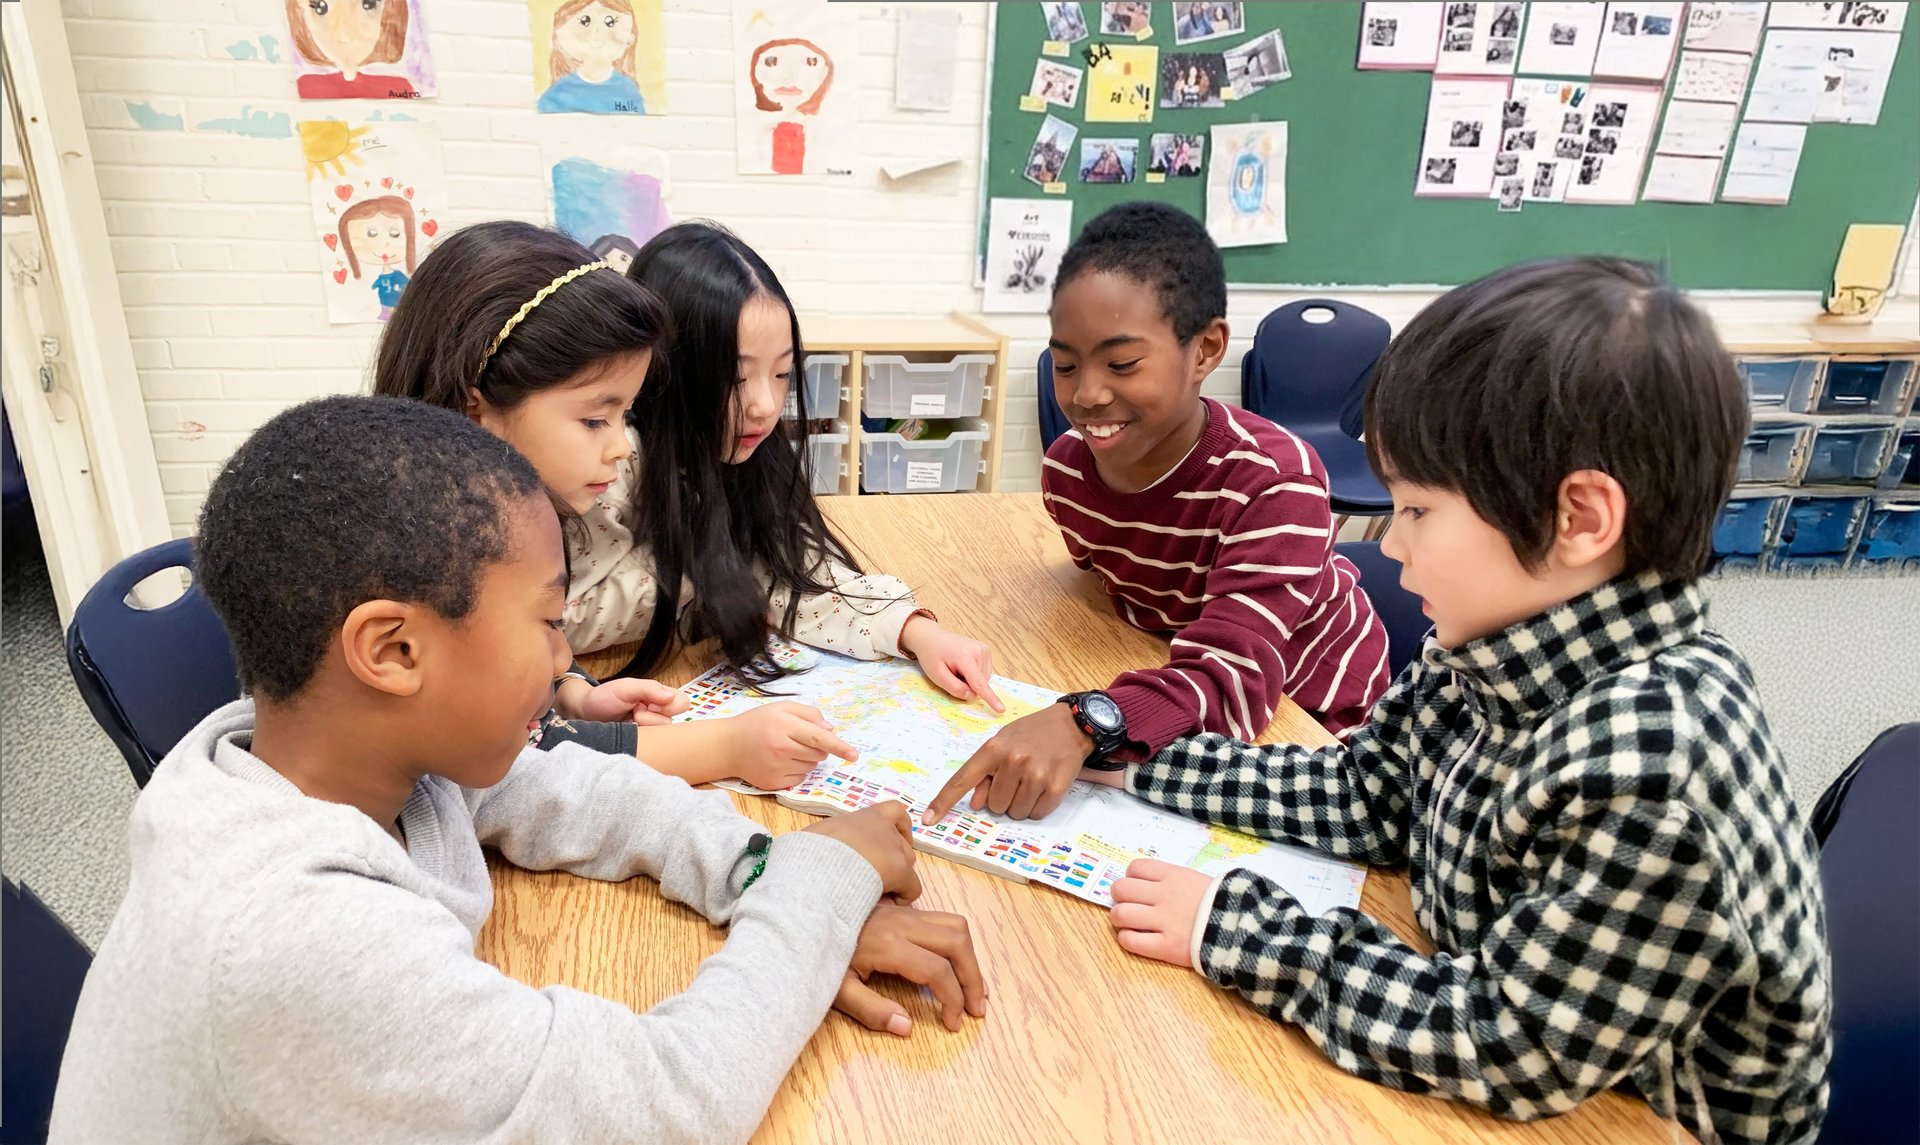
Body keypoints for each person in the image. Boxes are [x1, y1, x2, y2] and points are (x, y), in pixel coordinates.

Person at [48, 395, 985, 1144]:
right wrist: (826, 876)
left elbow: (563, 787)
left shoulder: (332, 752)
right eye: (546, 619)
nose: (564, 654)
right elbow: (670, 1104)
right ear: (395, 650)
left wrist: (771, 881)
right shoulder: (297, 943)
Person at [1092, 259, 1830, 1144]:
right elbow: (1367, 795)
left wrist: (1236, 930)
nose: (1389, 548)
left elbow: (1505, 1040)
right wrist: (1141, 752)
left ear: (1581, 518)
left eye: (1417, 512)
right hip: (1517, 1026)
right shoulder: (1484, 645)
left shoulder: (1655, 767)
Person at [373, 221, 877, 791]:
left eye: (625, 415)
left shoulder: (495, 512)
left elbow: (526, 655)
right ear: (475, 411)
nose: (620, 445)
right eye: (596, 420)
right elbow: (505, 762)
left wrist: (574, 691)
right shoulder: (431, 565)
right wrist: (722, 745)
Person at [929, 203, 1389, 823]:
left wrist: (1085, 720)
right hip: (1177, 670)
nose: (1086, 393)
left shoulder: (1274, 482)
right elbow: (1115, 580)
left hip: (1314, 717)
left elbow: (1238, 684)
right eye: (1065, 365)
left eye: (1122, 364)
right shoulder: (1067, 471)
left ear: (1205, 350)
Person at [586, 221, 1001, 722]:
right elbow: (569, 617)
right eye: (736, 378)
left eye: (781, 373)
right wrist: (712, 570)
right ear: (665, 370)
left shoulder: (747, 447)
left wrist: (916, 631)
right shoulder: (613, 459)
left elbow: (790, 567)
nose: (765, 405)